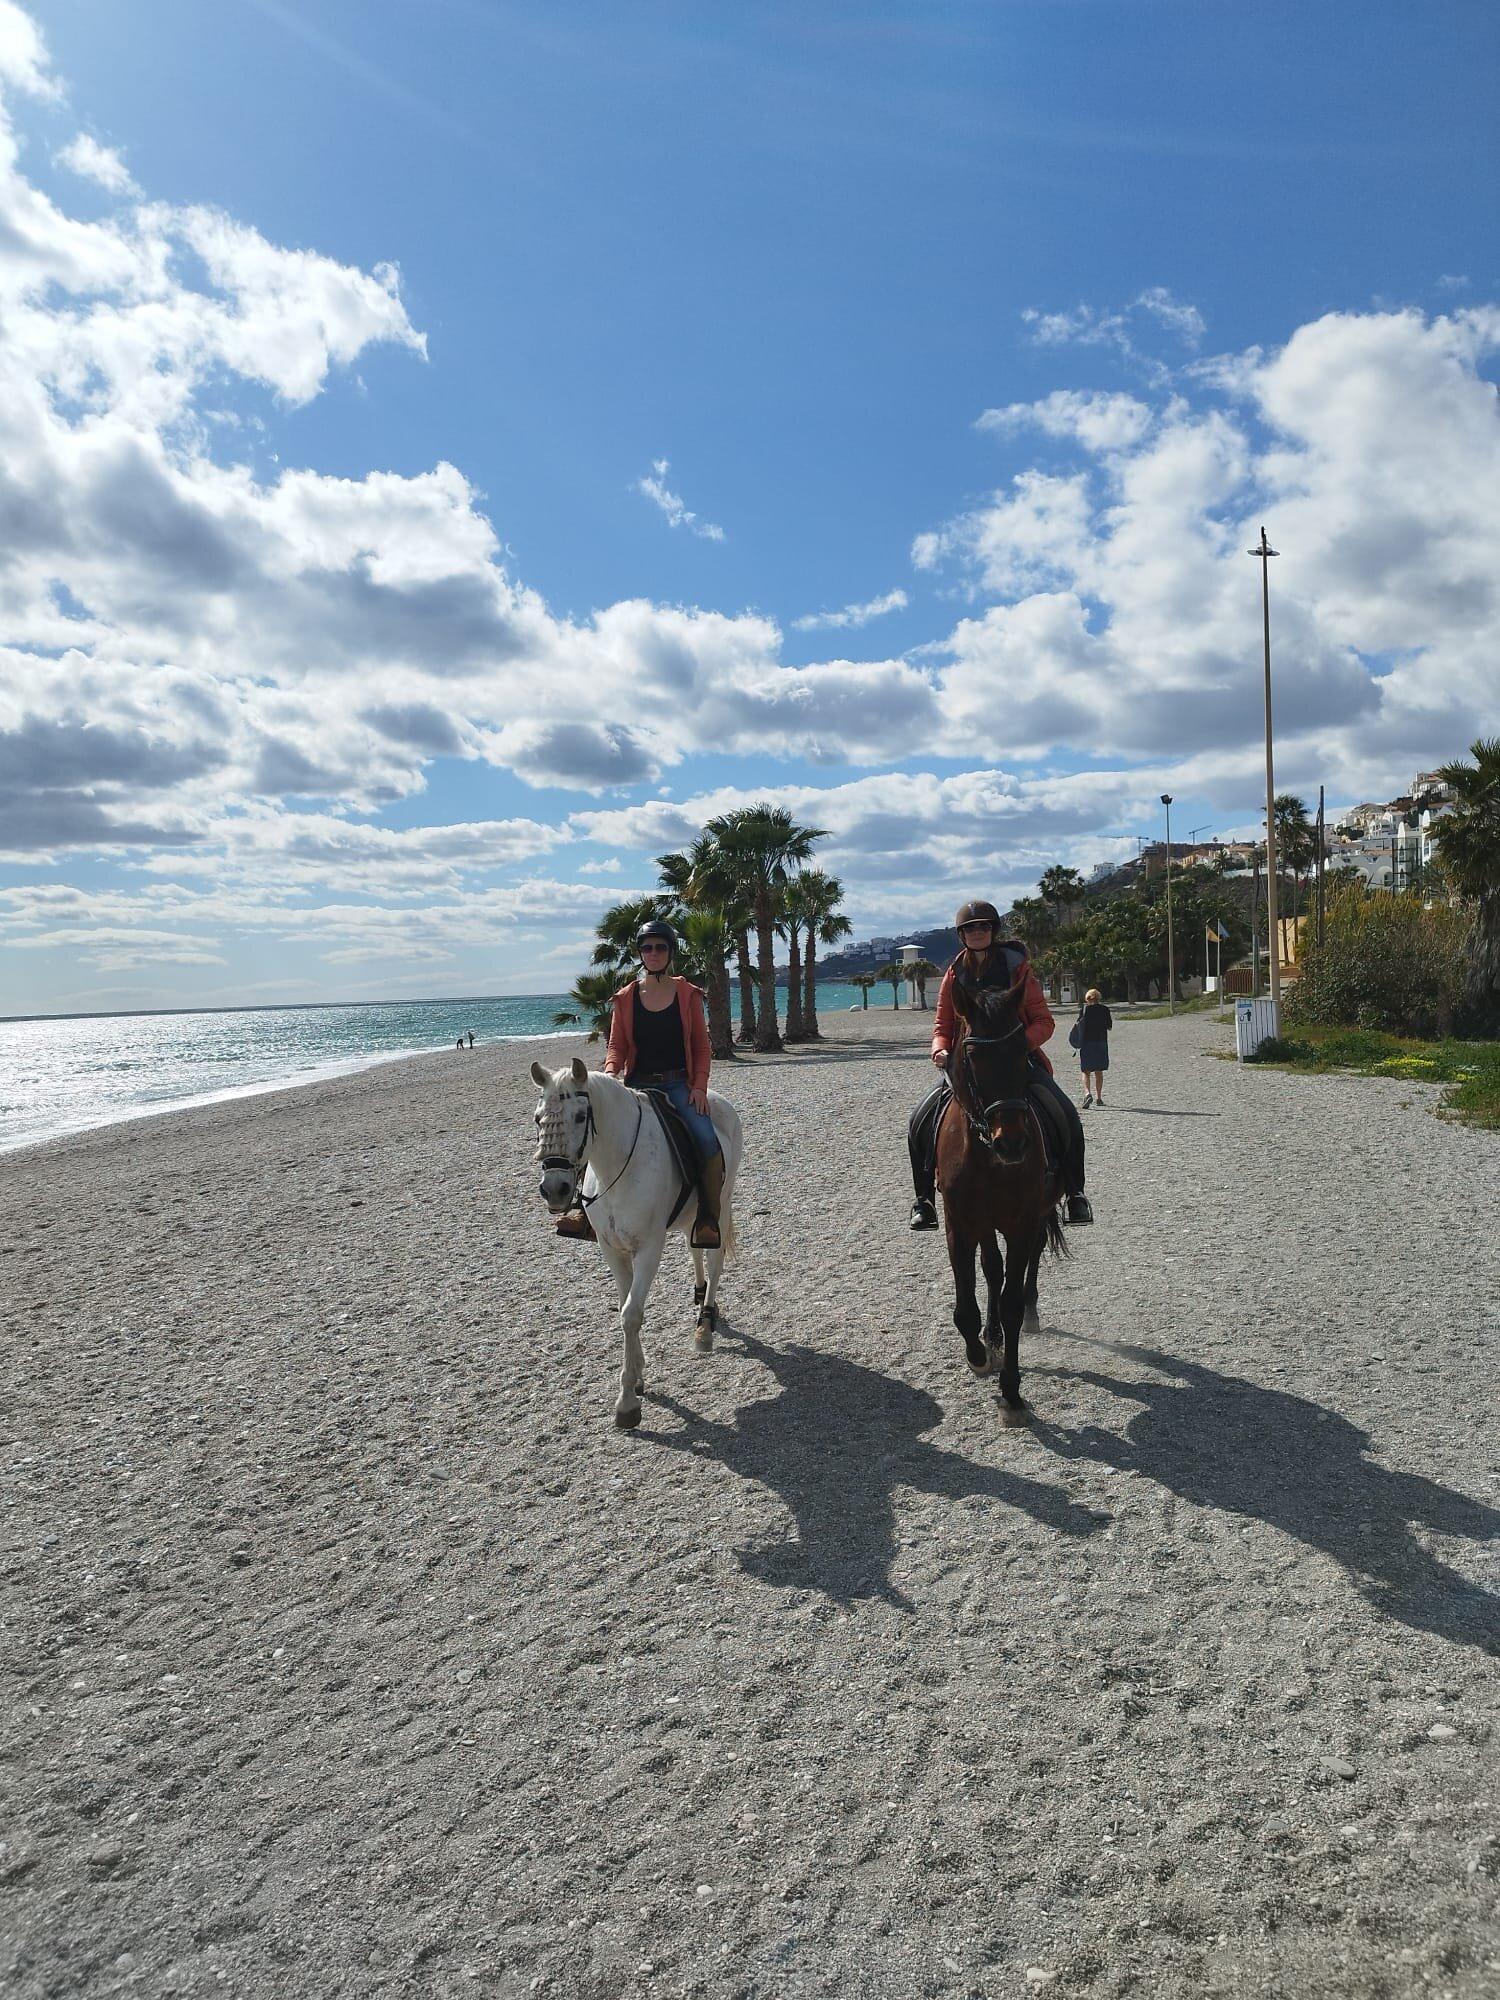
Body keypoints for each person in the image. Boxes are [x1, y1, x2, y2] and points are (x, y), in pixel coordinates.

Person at [907, 899, 1093, 1231]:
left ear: (993, 930)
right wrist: (939, 1049)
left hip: (1015, 1062)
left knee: (1064, 1110)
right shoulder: (954, 973)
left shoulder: (1017, 968)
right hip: (969, 1066)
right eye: (970, 928)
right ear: (962, 935)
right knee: (920, 1116)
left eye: (983, 926)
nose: (977, 932)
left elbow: (1043, 1020)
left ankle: (1076, 1192)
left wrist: (1017, 1046)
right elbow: (942, 1025)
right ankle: (923, 1200)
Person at [554, 919, 725, 1249]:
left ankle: (707, 1218)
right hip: (636, 1084)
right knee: (592, 1131)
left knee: (706, 1139)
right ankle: (582, 1211)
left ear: (670, 952)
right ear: (640, 954)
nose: (654, 953)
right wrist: (611, 1071)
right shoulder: (627, 997)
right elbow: (616, 1044)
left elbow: (702, 1047)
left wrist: (699, 1088)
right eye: (648, 948)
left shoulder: (688, 994)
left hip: (677, 1084)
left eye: (661, 947)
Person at [1073, 988, 1112, 1107]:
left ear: (1087, 998)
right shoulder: (1105, 1009)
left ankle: (1087, 1093)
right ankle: (1099, 1098)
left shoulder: (1084, 1010)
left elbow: (1079, 1026)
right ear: (1099, 998)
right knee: (1099, 1071)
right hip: (1101, 1043)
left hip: (1087, 1043)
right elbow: (1109, 1026)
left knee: (1086, 1071)